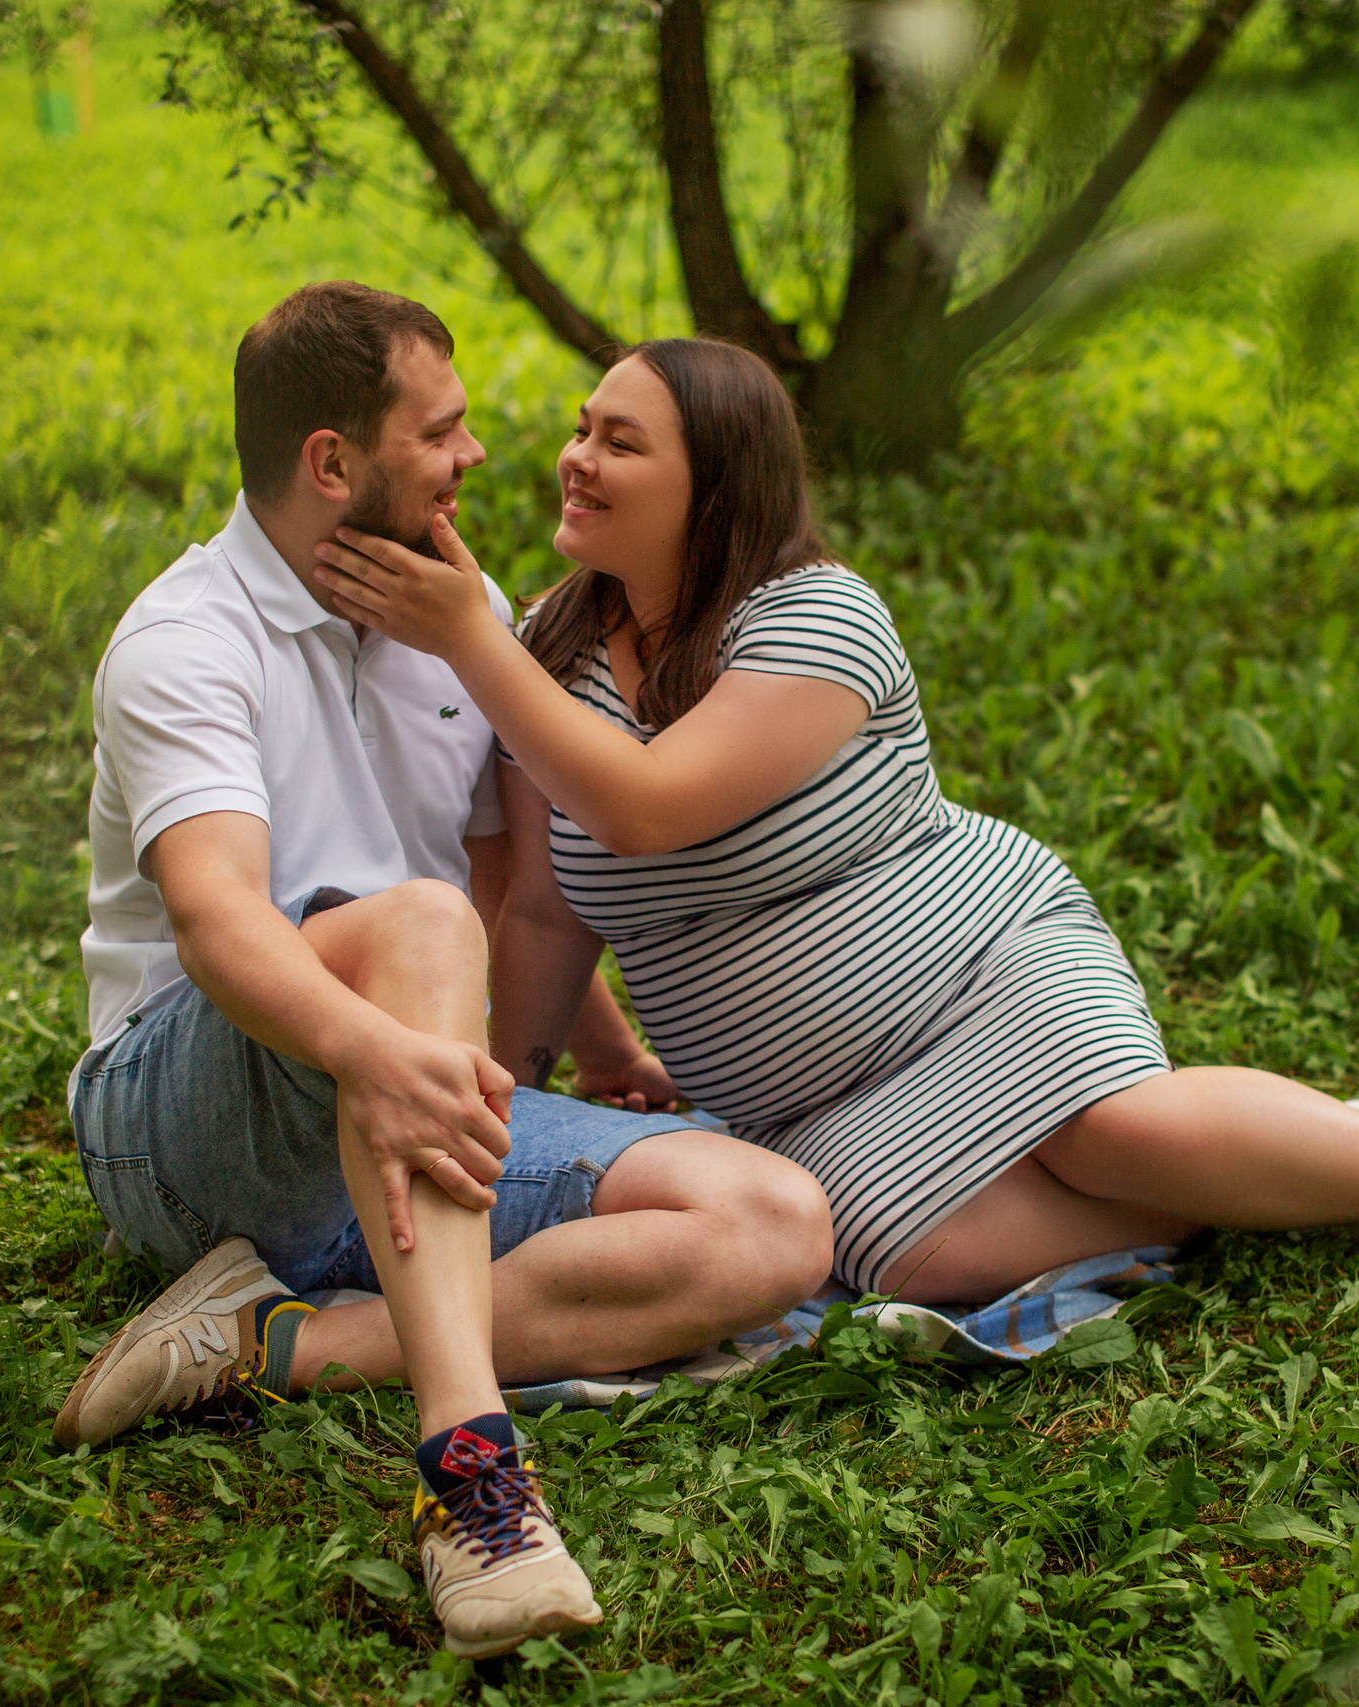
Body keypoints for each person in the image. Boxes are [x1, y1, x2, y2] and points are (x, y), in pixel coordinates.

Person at [304, 336, 1359, 1308]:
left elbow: (649, 808)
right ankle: (1313, 1162)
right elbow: (549, 908)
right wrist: (512, 1091)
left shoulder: (815, 621)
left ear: (715, 481)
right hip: (807, 1098)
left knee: (1112, 1142)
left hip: (978, 968)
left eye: (621, 442)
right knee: (914, 1262)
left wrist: (462, 640)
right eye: (579, 431)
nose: (573, 461)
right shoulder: (555, 655)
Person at [56, 290, 834, 1660]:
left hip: (396, 1109)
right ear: (332, 467)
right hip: (189, 1123)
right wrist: (373, 1054)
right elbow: (217, 922)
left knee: (773, 1223)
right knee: (409, 926)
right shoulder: (185, 643)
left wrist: (594, 1045)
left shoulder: (458, 607)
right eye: (444, 429)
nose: (481, 456)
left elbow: (497, 881)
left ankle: (276, 1341)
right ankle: (471, 1479)